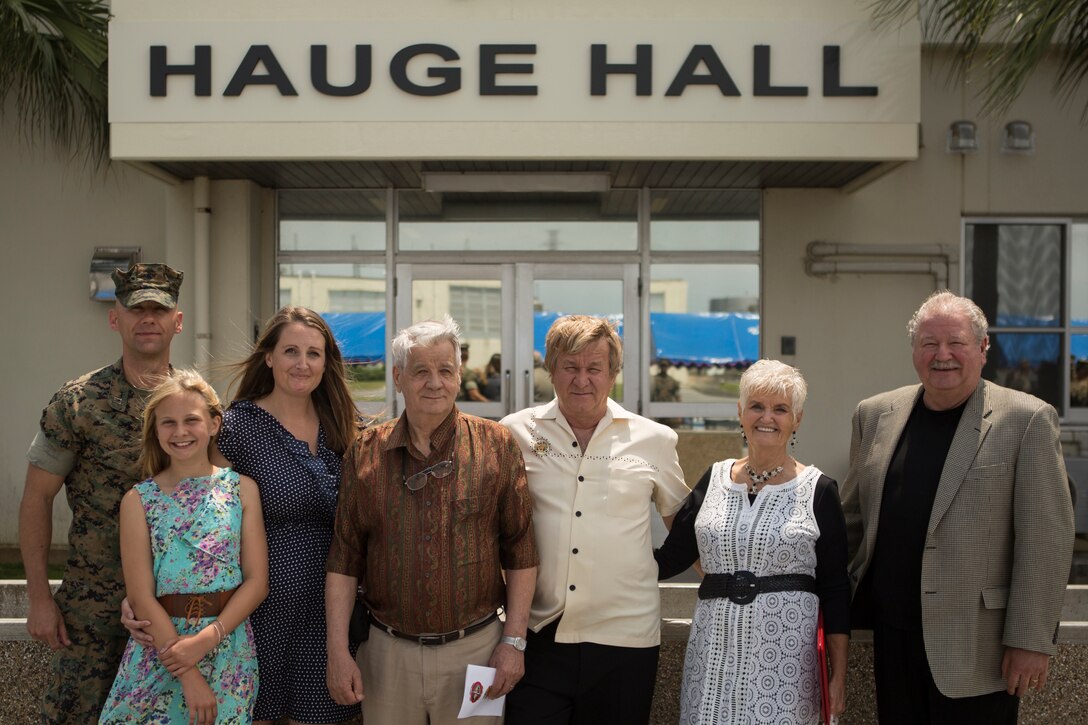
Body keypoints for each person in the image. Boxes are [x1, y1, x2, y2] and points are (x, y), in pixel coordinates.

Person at [841, 290, 1074, 724]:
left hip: (978, 649)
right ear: (914, 351)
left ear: (983, 348)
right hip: (891, 639)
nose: (942, 355)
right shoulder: (874, 415)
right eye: (929, 343)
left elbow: (1046, 538)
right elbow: (851, 521)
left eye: (956, 343)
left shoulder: (1027, 420)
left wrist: (1031, 640)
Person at [123, 306, 364, 724]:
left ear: (327, 363)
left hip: (333, 614)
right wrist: (144, 595)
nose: (302, 363)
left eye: (314, 353)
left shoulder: (345, 426)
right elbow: (196, 512)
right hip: (258, 617)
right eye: (290, 351)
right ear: (268, 357)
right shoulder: (238, 428)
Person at [325, 316, 538, 725]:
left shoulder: (496, 445)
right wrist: (337, 651)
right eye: (421, 371)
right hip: (388, 655)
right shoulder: (365, 452)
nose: (434, 382)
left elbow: (522, 550)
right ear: (398, 377)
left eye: (445, 370)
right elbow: (344, 559)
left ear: (459, 375)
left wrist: (514, 641)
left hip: (476, 653)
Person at [500, 315, 689, 725]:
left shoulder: (654, 439)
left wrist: (652, 566)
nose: (581, 379)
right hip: (540, 636)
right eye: (570, 366)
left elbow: (689, 529)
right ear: (551, 369)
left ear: (614, 373)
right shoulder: (513, 434)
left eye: (594, 368)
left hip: (625, 641)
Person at [19, 263, 184, 723]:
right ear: (116, 319)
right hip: (93, 613)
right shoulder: (77, 403)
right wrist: (38, 598)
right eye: (136, 309)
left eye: (159, 308)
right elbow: (36, 499)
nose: (147, 319)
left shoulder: (195, 405)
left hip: (175, 613)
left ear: (178, 321)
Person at [655, 359, 850, 724]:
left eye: (780, 409)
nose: (767, 417)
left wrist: (838, 675)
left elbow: (836, 588)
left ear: (798, 419)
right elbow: (668, 560)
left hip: (787, 664)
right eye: (757, 406)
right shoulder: (713, 479)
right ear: (740, 412)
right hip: (711, 658)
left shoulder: (819, 490)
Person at [100, 370, 268, 723]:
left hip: (226, 647)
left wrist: (207, 640)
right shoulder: (138, 500)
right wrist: (187, 671)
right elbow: (141, 596)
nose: (180, 432)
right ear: (155, 430)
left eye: (191, 420)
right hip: (161, 648)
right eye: (168, 423)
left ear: (214, 424)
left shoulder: (242, 490)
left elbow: (256, 582)